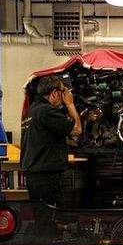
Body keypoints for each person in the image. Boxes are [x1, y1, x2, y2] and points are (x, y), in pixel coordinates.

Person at [20, 74, 82, 207]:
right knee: (49, 214)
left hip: (33, 176)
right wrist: (70, 104)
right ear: (54, 93)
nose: (65, 96)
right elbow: (77, 129)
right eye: (63, 92)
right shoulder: (46, 111)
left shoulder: (30, 111)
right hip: (46, 177)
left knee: (40, 213)